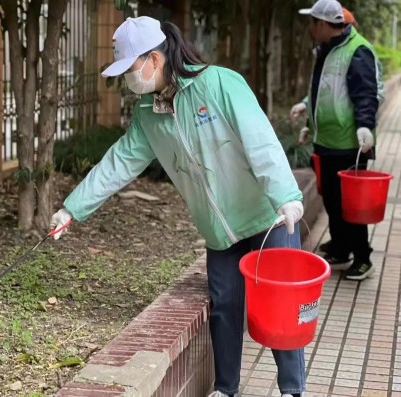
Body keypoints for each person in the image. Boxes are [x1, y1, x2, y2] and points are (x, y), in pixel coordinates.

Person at [50, 15, 306, 397]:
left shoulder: (218, 84)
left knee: (282, 305)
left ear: (154, 59)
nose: (128, 80)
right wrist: (72, 209)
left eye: (131, 69)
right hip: (219, 231)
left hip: (268, 218)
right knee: (224, 308)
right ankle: (225, 389)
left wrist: (286, 195)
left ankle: (292, 390)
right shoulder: (147, 115)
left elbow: (260, 139)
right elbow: (118, 163)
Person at [294, 0, 384, 280]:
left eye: (312, 22)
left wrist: (366, 127)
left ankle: (363, 258)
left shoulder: (357, 51)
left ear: (322, 24)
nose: (310, 27)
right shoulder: (328, 49)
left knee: (351, 204)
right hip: (327, 141)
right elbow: (327, 90)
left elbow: (366, 94)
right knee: (332, 199)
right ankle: (341, 248)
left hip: (349, 144)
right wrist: (309, 114)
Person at [289, 7, 358, 119]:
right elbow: (326, 88)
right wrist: (306, 104)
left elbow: (369, 95)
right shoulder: (326, 52)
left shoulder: (357, 54)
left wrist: (362, 125)